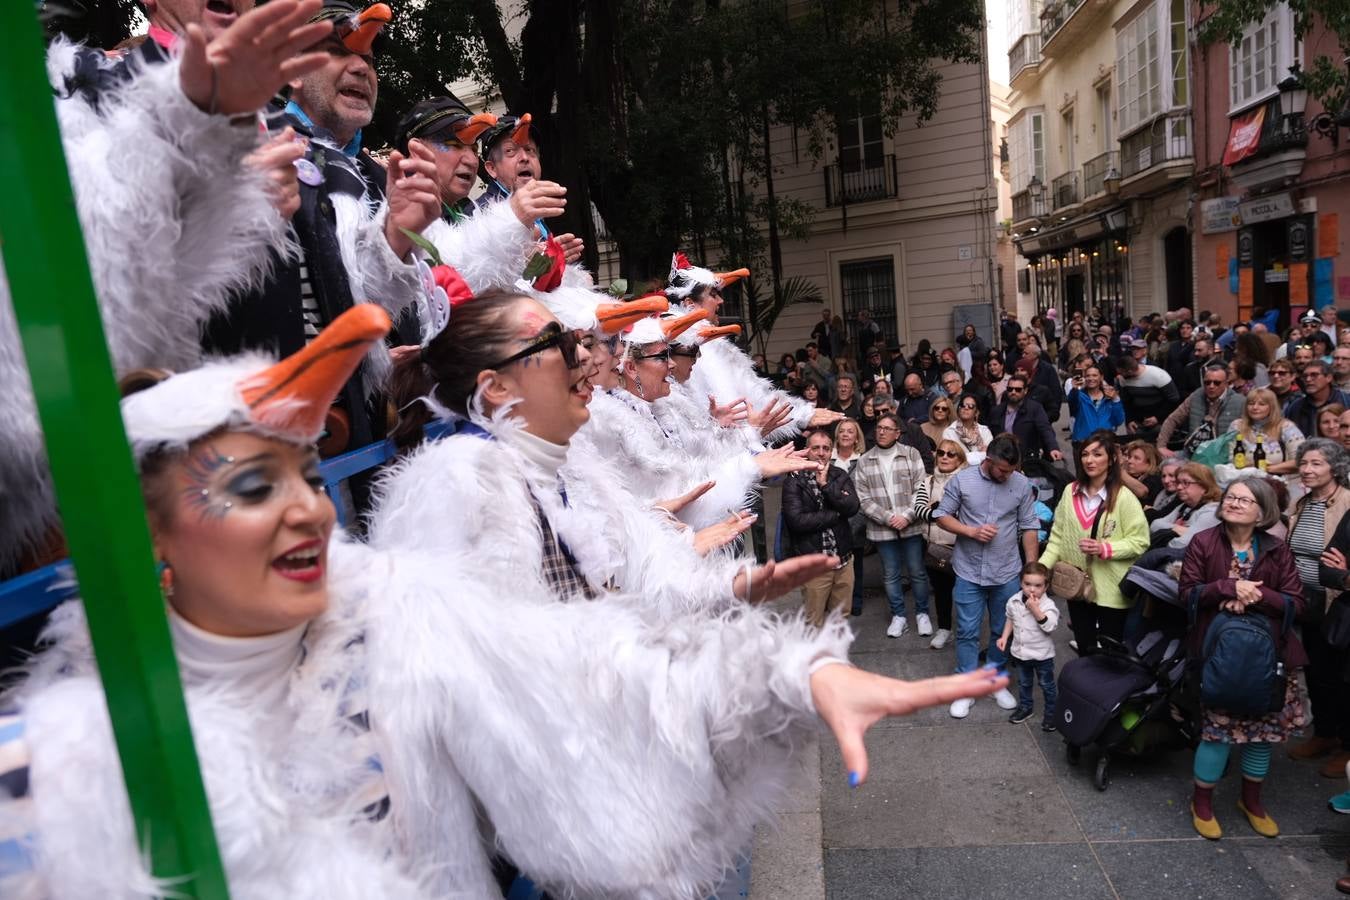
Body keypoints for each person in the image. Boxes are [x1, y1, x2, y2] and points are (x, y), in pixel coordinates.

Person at [369, 287, 1013, 894]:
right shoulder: (459, 490)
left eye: (582, 342)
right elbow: (531, 681)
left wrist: (734, 582)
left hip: (600, 789)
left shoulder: (570, 468)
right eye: (560, 345)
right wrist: (773, 676)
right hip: (553, 824)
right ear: (496, 388)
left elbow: (650, 576)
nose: (588, 358)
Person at [1, 306, 427, 897]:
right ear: (146, 532)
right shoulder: (57, 773)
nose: (313, 510)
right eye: (253, 486)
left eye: (312, 478)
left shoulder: (408, 645)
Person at [0, 0, 332, 568]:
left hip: (299, 449)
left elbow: (322, 281)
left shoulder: (284, 124)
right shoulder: (82, 87)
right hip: (141, 493)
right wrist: (197, 133)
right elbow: (83, 319)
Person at [1179, 477, 1307, 840]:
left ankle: (1251, 801)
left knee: (1261, 734)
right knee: (1217, 732)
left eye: (1244, 500)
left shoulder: (1276, 549)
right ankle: (1201, 802)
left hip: (1268, 658)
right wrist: (1226, 587)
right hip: (1220, 656)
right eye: (1230, 497)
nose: (1233, 503)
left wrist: (1256, 597)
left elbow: (1296, 602)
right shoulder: (1203, 542)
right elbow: (1186, 593)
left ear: (1262, 511)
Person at [935, 434, 1040, 718]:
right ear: (988, 461)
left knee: (1001, 630)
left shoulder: (1020, 484)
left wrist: (1031, 568)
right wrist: (970, 531)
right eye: (1003, 470)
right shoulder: (963, 480)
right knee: (967, 631)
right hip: (968, 569)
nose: (1009, 475)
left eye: (1013, 470)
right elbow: (942, 515)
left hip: (1006, 570)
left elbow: (1029, 525)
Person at [1040, 431, 1150, 654]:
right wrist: (1041, 569)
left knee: (1111, 654)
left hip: (1112, 591)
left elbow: (1140, 541)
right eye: (1085, 454)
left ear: (1111, 460)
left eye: (1097, 454)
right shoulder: (1071, 492)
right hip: (1077, 586)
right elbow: (1057, 536)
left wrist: (1105, 548)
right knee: (1085, 647)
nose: (1089, 460)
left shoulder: (1124, 497)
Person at [1285, 440, 1350, 778]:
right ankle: (1324, 734)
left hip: (1336, 602)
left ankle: (1346, 745)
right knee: (1315, 671)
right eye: (1304, 463)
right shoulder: (1304, 500)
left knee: (1341, 675)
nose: (1307, 470)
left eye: (1316, 464)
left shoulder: (1347, 501)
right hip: (1306, 599)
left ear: (1334, 468)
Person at [855, 415, 933, 639]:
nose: (882, 432)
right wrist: (888, 518)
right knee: (890, 575)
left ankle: (922, 613)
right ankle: (899, 616)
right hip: (882, 528)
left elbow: (922, 487)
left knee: (917, 572)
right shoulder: (864, 460)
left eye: (888, 429)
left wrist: (908, 515)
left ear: (897, 433)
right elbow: (863, 498)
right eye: (879, 428)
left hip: (912, 525)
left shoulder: (911, 454)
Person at [783, 430, 861, 626]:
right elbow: (796, 521)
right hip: (814, 565)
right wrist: (835, 514)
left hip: (843, 561)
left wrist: (826, 485)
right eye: (815, 448)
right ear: (807, 450)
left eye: (826, 448)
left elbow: (852, 507)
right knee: (813, 622)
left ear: (831, 451)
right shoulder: (795, 481)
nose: (821, 452)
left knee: (840, 619)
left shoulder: (839, 475)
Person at [393, 94, 497, 225]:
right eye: (454, 145)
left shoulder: (459, 214)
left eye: (474, 150)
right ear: (417, 151)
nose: (472, 161)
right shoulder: (397, 216)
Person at [910, 440, 969, 649]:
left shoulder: (967, 482)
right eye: (941, 453)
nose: (944, 457)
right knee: (941, 593)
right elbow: (918, 509)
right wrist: (942, 514)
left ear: (960, 459)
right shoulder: (929, 481)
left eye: (951, 454)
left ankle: (966, 633)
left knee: (965, 595)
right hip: (935, 548)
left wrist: (937, 511)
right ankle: (945, 629)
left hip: (962, 548)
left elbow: (966, 514)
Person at [995, 562, 1060, 729]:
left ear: (1046, 586)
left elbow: (1050, 626)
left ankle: (1052, 714)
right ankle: (1026, 708)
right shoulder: (1014, 600)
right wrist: (1004, 637)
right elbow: (1010, 618)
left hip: (1042, 656)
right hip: (1020, 653)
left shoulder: (1048, 606)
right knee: (1024, 683)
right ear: (1020, 583)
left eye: (1038, 585)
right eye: (1027, 584)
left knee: (1047, 686)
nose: (1032, 589)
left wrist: (1035, 610)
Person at [1157, 363, 1246, 455]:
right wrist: (1161, 446)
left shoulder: (1239, 402)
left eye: (1217, 383)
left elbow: (1250, 429)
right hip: (1194, 452)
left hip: (1224, 455)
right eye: (1207, 382)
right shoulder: (1196, 396)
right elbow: (1173, 419)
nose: (1211, 386)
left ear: (1226, 383)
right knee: (1165, 463)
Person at [832, 419, 870, 616]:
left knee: (856, 564)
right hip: (831, 521)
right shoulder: (827, 459)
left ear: (857, 438)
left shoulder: (864, 460)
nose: (846, 434)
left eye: (850, 432)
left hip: (856, 520)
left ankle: (855, 600)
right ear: (837, 436)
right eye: (842, 431)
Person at [1225, 388, 1304, 478]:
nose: (1255, 407)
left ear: (1272, 407)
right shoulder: (1237, 426)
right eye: (1251, 404)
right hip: (1244, 479)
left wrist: (1266, 469)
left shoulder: (1286, 426)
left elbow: (1301, 460)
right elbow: (1229, 458)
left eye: (1261, 404)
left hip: (1281, 481)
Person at [990, 374, 1063, 461]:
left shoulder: (1035, 408)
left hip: (1027, 458)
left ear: (1025, 391)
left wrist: (1053, 448)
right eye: (1010, 389)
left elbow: (1045, 429)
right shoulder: (997, 411)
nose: (1013, 392)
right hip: (1002, 457)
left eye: (1018, 390)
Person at [1150, 463, 1223, 551]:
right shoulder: (1184, 506)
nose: (1179, 487)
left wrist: (1165, 535)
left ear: (1204, 486)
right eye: (1178, 482)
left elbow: (1182, 544)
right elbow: (1154, 525)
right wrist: (1177, 529)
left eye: (1186, 483)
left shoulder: (1212, 512)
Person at [1116, 353, 1180, 441]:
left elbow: (1174, 399)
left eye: (1121, 373)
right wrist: (1129, 420)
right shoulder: (1124, 379)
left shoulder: (1158, 375)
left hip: (1160, 422)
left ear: (1129, 371)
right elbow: (1126, 401)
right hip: (1138, 422)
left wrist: (1158, 417)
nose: (1119, 376)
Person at [1066, 363, 1124, 456]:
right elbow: (1072, 405)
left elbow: (1118, 420)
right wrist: (1074, 390)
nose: (1091, 378)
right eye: (1088, 376)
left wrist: (1116, 400)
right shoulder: (1079, 395)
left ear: (1101, 377)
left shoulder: (1109, 397)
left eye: (1094, 375)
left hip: (1105, 443)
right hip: (1082, 443)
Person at [1285, 360, 1350, 440]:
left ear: (1328, 378)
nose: (1308, 379)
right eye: (1305, 376)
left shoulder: (1346, 401)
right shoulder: (1295, 407)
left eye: (1314, 375)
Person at [944, 393, 993, 466]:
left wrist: (965, 456)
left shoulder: (984, 431)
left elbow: (990, 457)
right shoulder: (949, 432)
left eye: (971, 406)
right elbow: (954, 459)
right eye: (963, 405)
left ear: (976, 412)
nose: (966, 408)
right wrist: (980, 455)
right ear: (959, 409)